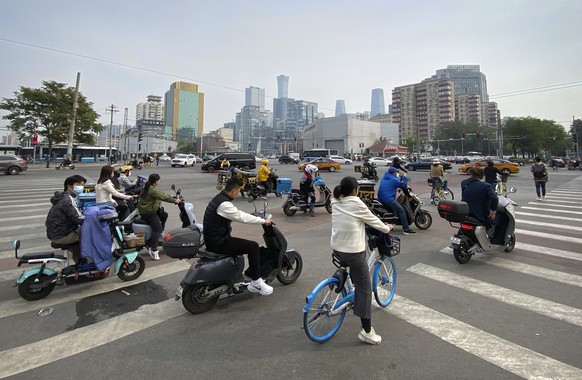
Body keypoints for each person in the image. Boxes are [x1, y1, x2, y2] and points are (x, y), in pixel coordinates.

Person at [331, 176, 392, 345]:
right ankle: (367, 332)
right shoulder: (357, 203)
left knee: (355, 269)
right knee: (365, 290)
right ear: (355, 191)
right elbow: (373, 220)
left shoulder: (335, 201)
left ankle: (345, 283)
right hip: (352, 252)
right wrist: (387, 227)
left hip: (337, 248)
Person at [203, 177, 274, 295]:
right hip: (219, 242)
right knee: (253, 246)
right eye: (239, 191)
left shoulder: (218, 199)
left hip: (214, 239)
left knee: (242, 245)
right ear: (234, 190)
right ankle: (256, 283)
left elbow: (236, 214)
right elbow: (241, 217)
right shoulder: (224, 205)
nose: (238, 193)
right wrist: (263, 221)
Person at [138, 174, 181, 260]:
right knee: (157, 229)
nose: (159, 181)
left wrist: (171, 196)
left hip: (149, 210)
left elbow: (161, 194)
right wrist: (175, 200)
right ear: (156, 181)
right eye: (159, 180)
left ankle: (160, 233)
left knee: (164, 215)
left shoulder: (149, 186)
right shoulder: (151, 189)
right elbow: (162, 196)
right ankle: (153, 250)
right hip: (148, 213)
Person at [45, 175, 87, 263]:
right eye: (78, 185)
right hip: (62, 234)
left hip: (55, 232)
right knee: (91, 235)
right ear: (69, 186)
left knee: (82, 232)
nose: (81, 188)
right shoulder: (67, 200)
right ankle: (83, 262)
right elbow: (78, 219)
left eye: (82, 186)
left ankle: (79, 260)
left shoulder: (62, 197)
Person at [377, 167, 417, 235]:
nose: (397, 173)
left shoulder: (386, 177)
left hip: (382, 197)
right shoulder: (393, 180)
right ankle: (406, 229)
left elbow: (396, 180)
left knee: (395, 208)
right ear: (394, 173)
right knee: (401, 210)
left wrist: (399, 178)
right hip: (388, 198)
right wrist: (404, 177)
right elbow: (403, 185)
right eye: (396, 172)